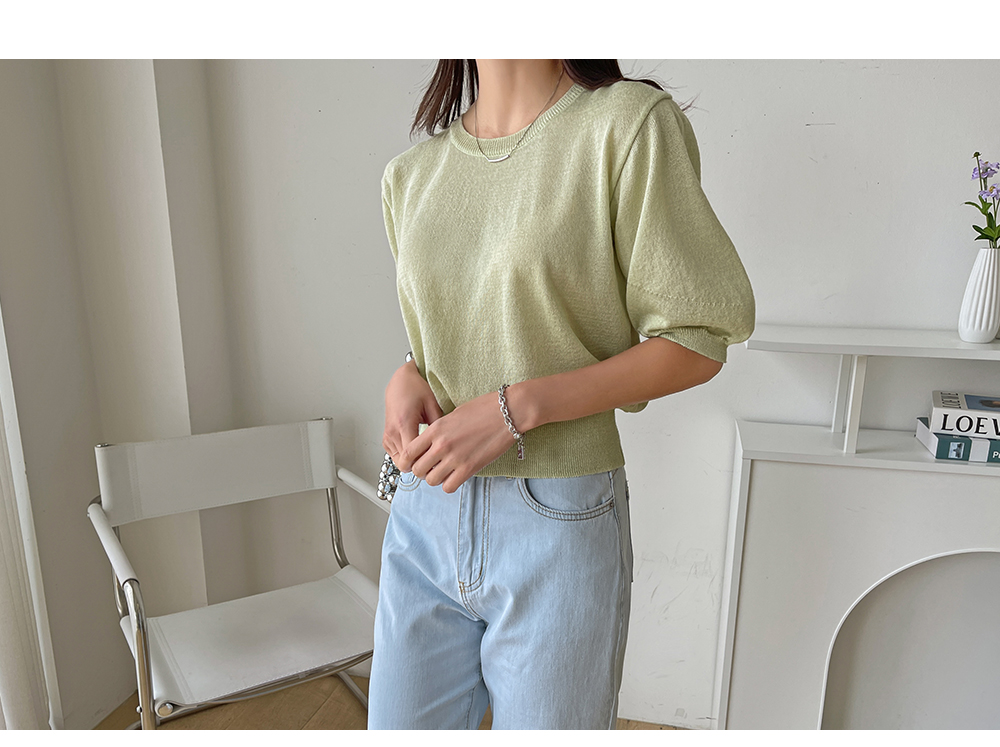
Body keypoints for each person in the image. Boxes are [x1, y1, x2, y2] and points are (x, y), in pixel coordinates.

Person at [368, 59, 755, 730]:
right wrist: (408, 373)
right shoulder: (411, 176)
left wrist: (519, 407)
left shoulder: (625, 127)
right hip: (424, 513)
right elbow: (474, 321)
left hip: (556, 518)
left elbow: (698, 336)